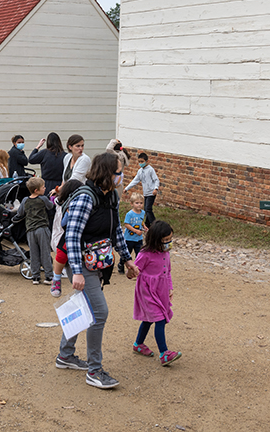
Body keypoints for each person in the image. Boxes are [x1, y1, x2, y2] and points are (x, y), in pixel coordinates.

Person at [55, 151, 138, 390]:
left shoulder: (111, 197)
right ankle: (94, 370)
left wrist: (127, 259)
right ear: (106, 173)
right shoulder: (85, 197)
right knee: (99, 312)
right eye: (118, 172)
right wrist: (77, 272)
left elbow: (116, 231)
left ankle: (66, 355)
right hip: (80, 262)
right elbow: (72, 236)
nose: (121, 176)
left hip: (97, 261)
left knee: (85, 309)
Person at [131, 220, 181, 366]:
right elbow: (135, 269)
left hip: (161, 291)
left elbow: (168, 272)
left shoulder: (166, 254)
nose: (169, 243)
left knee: (148, 319)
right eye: (165, 240)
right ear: (155, 239)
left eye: (170, 239)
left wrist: (170, 288)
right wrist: (130, 272)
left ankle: (138, 344)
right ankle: (164, 353)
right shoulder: (145, 254)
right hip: (147, 291)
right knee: (159, 319)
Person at [49, 179, 83, 298]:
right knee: (62, 253)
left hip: (81, 236)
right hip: (67, 235)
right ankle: (56, 278)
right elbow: (63, 223)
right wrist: (69, 213)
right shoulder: (64, 204)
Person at [20, 177, 54, 284]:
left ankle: (35, 276)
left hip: (30, 230)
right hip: (42, 229)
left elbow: (20, 213)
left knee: (34, 253)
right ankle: (48, 276)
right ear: (36, 190)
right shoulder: (43, 199)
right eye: (43, 187)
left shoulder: (25, 200)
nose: (45, 188)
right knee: (45, 253)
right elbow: (50, 206)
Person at [124, 152, 160, 227]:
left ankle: (155, 225)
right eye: (139, 162)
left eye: (142, 162)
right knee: (146, 209)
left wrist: (156, 188)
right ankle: (147, 224)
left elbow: (156, 180)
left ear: (147, 161)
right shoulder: (140, 171)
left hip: (151, 193)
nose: (140, 163)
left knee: (148, 208)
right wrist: (127, 188)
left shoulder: (150, 170)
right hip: (146, 193)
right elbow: (135, 180)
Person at [120, 192, 147, 273]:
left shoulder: (143, 212)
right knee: (127, 253)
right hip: (129, 238)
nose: (139, 205)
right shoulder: (130, 214)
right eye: (137, 203)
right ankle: (121, 264)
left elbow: (141, 221)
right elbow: (126, 224)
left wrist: (144, 227)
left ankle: (137, 268)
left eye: (141, 203)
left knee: (139, 253)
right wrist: (135, 231)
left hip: (139, 238)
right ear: (132, 204)